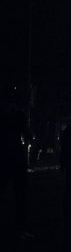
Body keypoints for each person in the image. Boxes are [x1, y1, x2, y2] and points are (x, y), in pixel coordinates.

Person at [0, 89, 34, 239]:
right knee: (20, 195)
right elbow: (28, 134)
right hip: (15, 157)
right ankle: (20, 229)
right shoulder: (19, 115)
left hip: (3, 157)